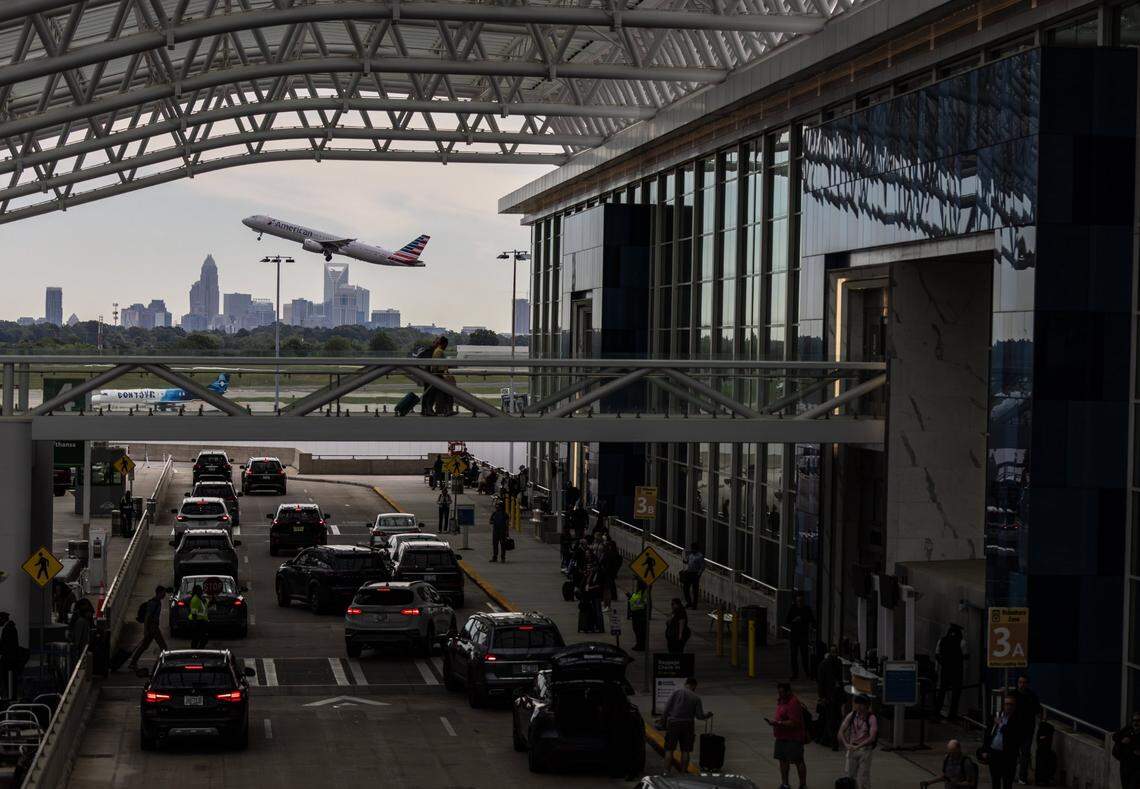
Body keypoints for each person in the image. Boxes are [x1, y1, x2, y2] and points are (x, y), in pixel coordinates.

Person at [661, 676, 712, 774]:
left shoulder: (675, 693)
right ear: (694, 686)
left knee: (669, 749)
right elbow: (699, 716)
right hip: (688, 725)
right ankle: (683, 773)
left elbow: (666, 709)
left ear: (686, 684)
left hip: (673, 724)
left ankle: (666, 772)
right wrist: (708, 715)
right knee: (685, 750)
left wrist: (663, 723)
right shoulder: (696, 698)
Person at [768, 681, 807, 789]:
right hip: (781, 736)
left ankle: (802, 784)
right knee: (782, 760)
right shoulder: (782, 701)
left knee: (798, 760)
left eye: (782, 692)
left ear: (788, 691)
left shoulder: (793, 702)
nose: (780, 694)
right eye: (779, 692)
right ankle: (785, 783)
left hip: (793, 737)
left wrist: (778, 723)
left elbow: (794, 722)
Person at [982, 694, 1024, 789]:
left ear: (1014, 706)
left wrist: (1000, 724)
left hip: (1008, 755)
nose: (1008, 706)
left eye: (1011, 704)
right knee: (995, 781)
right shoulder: (998, 715)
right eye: (1006, 704)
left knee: (1007, 782)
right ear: (1003, 705)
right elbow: (988, 734)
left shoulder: (1018, 719)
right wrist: (985, 749)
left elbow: (1015, 735)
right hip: (994, 753)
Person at [838, 694, 878, 789]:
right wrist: (846, 744)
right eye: (857, 704)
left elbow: (872, 738)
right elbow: (841, 731)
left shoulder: (871, 718)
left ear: (867, 706)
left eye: (861, 704)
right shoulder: (852, 715)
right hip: (852, 748)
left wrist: (858, 746)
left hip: (865, 750)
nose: (858, 706)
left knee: (864, 776)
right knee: (850, 776)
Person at [128, 585, 168, 670]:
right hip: (153, 628)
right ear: (159, 593)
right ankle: (165, 664)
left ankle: (133, 662)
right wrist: (145, 630)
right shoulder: (154, 603)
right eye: (164, 593)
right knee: (163, 647)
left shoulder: (157, 602)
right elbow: (147, 617)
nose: (165, 595)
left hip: (153, 627)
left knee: (144, 646)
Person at [1012, 675, 1043, 783]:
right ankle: (1012, 774)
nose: (1022, 685)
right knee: (1014, 753)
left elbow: (1038, 709)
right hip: (1014, 729)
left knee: (1025, 753)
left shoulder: (1032, 695)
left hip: (1027, 729)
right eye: (1020, 682)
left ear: (1027, 684)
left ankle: (1022, 776)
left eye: (1024, 682)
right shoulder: (1013, 695)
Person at [934, 623, 966, 720]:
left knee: (942, 692)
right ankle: (952, 714)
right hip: (957, 671)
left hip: (945, 670)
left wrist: (942, 664)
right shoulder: (962, 642)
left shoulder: (942, 640)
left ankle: (937, 711)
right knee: (955, 694)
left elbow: (937, 655)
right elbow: (966, 656)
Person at [816, 643, 844, 748]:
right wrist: (822, 696)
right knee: (831, 719)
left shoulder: (837, 663)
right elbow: (821, 682)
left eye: (835, 652)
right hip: (829, 696)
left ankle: (828, 738)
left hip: (836, 696)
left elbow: (840, 680)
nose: (834, 654)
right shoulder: (824, 664)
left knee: (834, 718)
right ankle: (832, 740)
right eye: (832, 652)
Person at [784, 591, 815, 680]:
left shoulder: (807, 609)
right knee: (793, 656)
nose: (800, 602)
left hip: (803, 635)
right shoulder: (793, 608)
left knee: (804, 655)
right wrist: (794, 620)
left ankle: (807, 673)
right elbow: (788, 620)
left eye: (801, 601)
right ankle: (795, 674)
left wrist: (803, 619)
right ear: (796, 600)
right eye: (798, 601)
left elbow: (812, 620)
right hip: (794, 635)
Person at [420, 335, 448, 416]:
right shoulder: (434, 351)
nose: (438, 343)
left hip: (430, 374)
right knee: (430, 393)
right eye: (437, 342)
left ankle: (427, 410)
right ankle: (427, 410)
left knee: (430, 393)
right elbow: (435, 366)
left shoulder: (434, 350)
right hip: (430, 375)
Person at [1112, 711, 1140, 789]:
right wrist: (1122, 740)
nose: (1136, 723)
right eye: (1134, 720)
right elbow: (1114, 736)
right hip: (1125, 765)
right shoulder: (1128, 730)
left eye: (1138, 721)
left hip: (1137, 767)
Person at [68, 598, 95, 671]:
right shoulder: (81, 622)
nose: (91, 615)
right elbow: (78, 638)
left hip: (82, 648)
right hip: (81, 649)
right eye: (90, 613)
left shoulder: (83, 621)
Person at [0, 611, 20, 700]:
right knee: (9, 679)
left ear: (3, 619)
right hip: (11, 659)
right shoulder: (10, 628)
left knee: (8, 679)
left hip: (9, 660)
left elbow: (7, 645)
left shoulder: (8, 629)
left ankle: (10, 696)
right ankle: (10, 695)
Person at [680, 543, 705, 610]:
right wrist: (684, 560)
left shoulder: (700, 556)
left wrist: (698, 575)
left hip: (695, 574)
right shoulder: (691, 555)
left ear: (696, 549)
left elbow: (702, 567)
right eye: (692, 548)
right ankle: (689, 602)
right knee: (685, 589)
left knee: (695, 590)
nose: (692, 550)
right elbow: (687, 562)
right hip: (688, 573)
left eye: (693, 549)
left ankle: (694, 605)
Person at [188, 584, 209, 650]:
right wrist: (195, 624)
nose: (201, 591)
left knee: (202, 639)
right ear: (196, 591)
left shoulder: (201, 599)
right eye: (199, 590)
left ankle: (198, 651)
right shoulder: (195, 600)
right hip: (197, 622)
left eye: (201, 590)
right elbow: (194, 613)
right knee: (197, 639)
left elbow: (205, 606)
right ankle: (196, 652)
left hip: (202, 622)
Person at [629, 580, 648, 651]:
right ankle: (639, 644)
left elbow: (642, 603)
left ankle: (641, 645)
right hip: (635, 613)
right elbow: (635, 599)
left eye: (638, 585)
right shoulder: (638, 592)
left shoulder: (644, 593)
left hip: (640, 614)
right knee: (636, 630)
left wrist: (631, 597)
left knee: (640, 631)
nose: (637, 586)